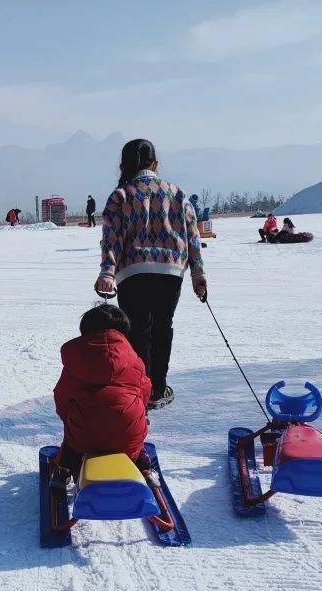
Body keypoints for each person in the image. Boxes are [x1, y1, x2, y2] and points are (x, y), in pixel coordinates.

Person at [96, 139, 206, 408]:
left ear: (124, 166)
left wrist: (107, 273)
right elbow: (193, 236)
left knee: (137, 331)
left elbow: (112, 239)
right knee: (162, 328)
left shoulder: (121, 196)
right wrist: (198, 274)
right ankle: (157, 388)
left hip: (133, 272)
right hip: (171, 271)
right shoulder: (177, 194)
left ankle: (139, 390)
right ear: (155, 164)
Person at [50, 304, 152, 490]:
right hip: (128, 432)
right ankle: (144, 467)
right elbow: (145, 391)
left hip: (85, 435)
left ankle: (64, 468)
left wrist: (68, 418)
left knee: (72, 442)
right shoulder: (134, 360)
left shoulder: (77, 361)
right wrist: (140, 414)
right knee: (135, 438)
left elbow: (62, 396)